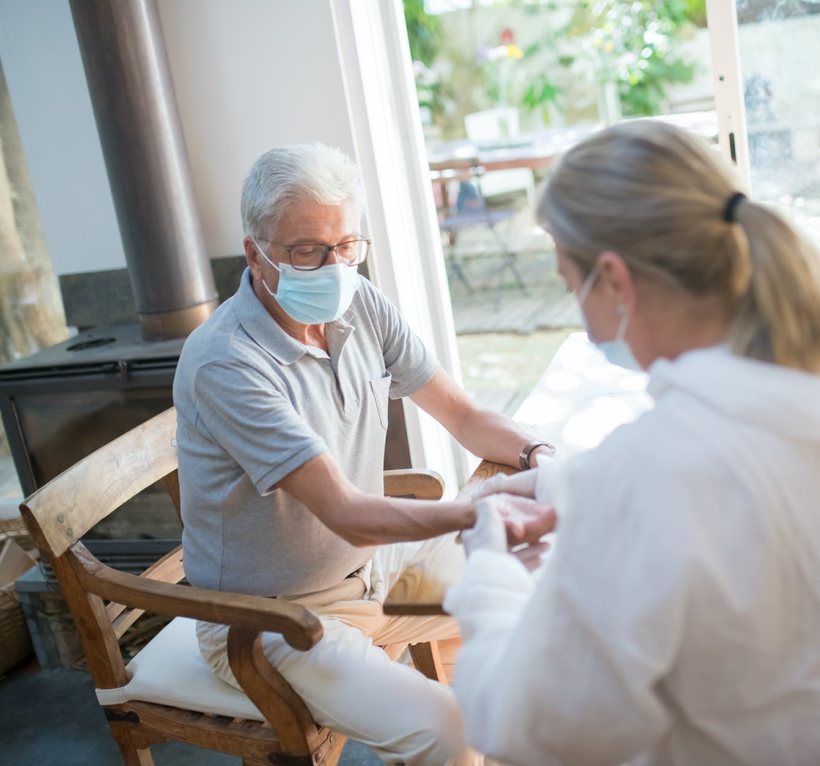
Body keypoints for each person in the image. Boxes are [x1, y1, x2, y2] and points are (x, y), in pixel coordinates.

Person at [444, 121, 820, 765]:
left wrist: (488, 572)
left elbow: (531, 725)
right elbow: (763, 485)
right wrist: (564, 485)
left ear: (616, 281)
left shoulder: (654, 469)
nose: (580, 311)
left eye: (573, 287)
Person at [173, 143, 555, 766]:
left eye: (347, 245)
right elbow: (347, 513)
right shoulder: (226, 361)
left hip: (371, 569)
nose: (334, 267)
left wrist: (540, 457)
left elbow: (463, 416)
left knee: (551, 592)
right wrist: (483, 511)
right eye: (307, 251)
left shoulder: (358, 302)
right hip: (269, 622)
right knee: (449, 733)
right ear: (255, 253)